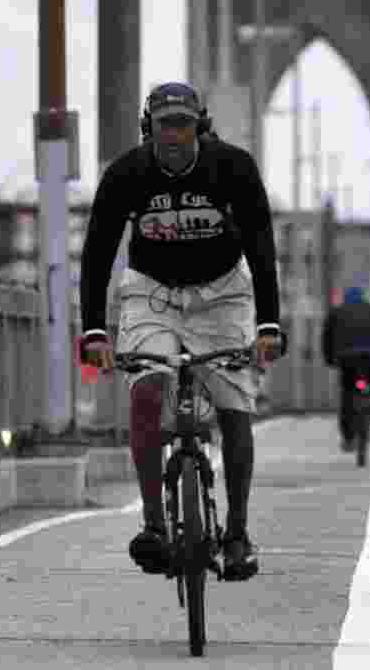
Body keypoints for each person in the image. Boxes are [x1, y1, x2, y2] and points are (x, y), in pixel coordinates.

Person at [79, 81, 284, 581]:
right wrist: (94, 331)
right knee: (146, 390)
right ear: (149, 129)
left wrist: (268, 324)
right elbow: (99, 251)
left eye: (184, 125)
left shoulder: (233, 168)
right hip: (153, 292)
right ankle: (153, 524)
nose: (174, 136)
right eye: (164, 126)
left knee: (235, 408)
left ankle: (236, 533)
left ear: (201, 127)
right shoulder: (127, 174)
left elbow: (260, 243)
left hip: (223, 293)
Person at [321, 286, 370, 451]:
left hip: (347, 358)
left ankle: (348, 438)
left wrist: (329, 359)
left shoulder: (336, 313)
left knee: (347, 395)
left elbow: (327, 337)